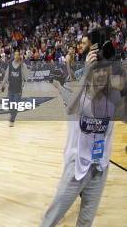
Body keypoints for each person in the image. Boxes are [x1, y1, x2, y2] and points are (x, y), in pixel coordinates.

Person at [40, 43, 126, 227]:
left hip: (100, 167)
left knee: (86, 221)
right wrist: (86, 73)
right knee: (51, 218)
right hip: (76, 168)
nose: (102, 74)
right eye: (97, 70)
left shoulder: (113, 96)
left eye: (105, 70)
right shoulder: (79, 94)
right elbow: (70, 107)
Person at [0, 49, 31, 126]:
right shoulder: (10, 65)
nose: (16, 56)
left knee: (15, 106)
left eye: (18, 55)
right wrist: (2, 85)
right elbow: (6, 76)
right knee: (10, 105)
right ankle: (12, 116)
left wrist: (23, 65)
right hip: (10, 89)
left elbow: (26, 77)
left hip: (18, 90)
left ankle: (12, 120)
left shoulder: (22, 65)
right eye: (15, 55)